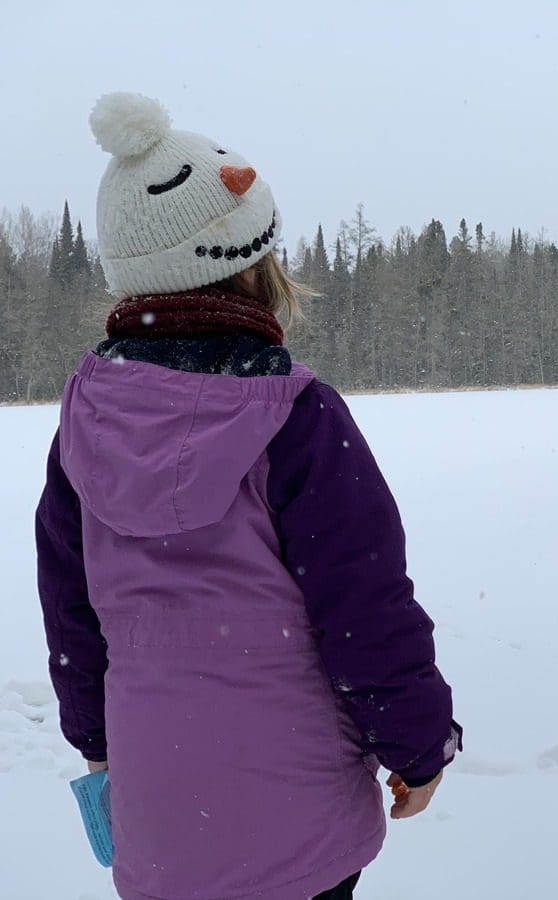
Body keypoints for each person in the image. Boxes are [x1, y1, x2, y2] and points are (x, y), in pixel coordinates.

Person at [35, 92, 461, 900]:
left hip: (160, 816)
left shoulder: (83, 424)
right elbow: (365, 604)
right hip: (297, 820)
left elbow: (71, 612)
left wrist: (97, 742)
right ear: (258, 265)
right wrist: (419, 743)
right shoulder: (296, 415)